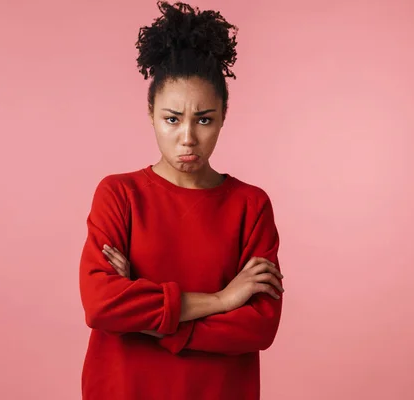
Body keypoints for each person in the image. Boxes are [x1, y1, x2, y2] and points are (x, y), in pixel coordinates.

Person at [78, 2, 284, 399]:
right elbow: (102, 306)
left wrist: (147, 316)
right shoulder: (119, 195)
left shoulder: (250, 205)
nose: (187, 137)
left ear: (224, 115)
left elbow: (258, 326)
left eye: (203, 119)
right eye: (172, 119)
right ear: (151, 113)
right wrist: (223, 300)